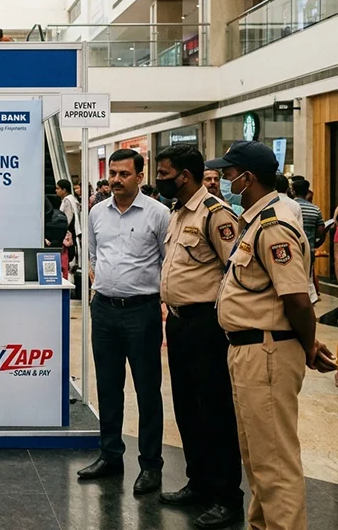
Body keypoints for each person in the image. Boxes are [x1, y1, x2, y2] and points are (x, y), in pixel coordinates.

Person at [205, 141, 337, 529]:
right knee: (258, 457)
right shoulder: (256, 220)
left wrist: (309, 344)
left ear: (249, 178)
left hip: (266, 352)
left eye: (230, 174)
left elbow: (297, 299)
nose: (226, 180)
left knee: (274, 462)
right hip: (249, 350)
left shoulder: (273, 226)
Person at [155, 145, 244, 528]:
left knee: (215, 411)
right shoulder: (178, 213)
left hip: (207, 324)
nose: (158, 179)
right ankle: (199, 482)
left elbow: (236, 271)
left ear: (185, 176)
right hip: (177, 323)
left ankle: (227, 496)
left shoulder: (215, 215)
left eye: (164, 173)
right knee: (187, 407)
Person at [79, 149, 169, 494]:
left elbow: (167, 261)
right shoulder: (97, 212)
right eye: (113, 174)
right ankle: (110, 455)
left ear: (139, 176)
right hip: (103, 311)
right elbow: (91, 254)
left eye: (124, 174)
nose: (115, 180)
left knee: (147, 391)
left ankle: (151, 466)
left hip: (141, 312)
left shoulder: (158, 214)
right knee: (108, 386)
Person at [292, 178, 325, 248]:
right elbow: (320, 232)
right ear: (307, 192)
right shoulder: (315, 209)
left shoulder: (289, 207)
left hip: (293, 248)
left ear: (293, 192)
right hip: (309, 248)